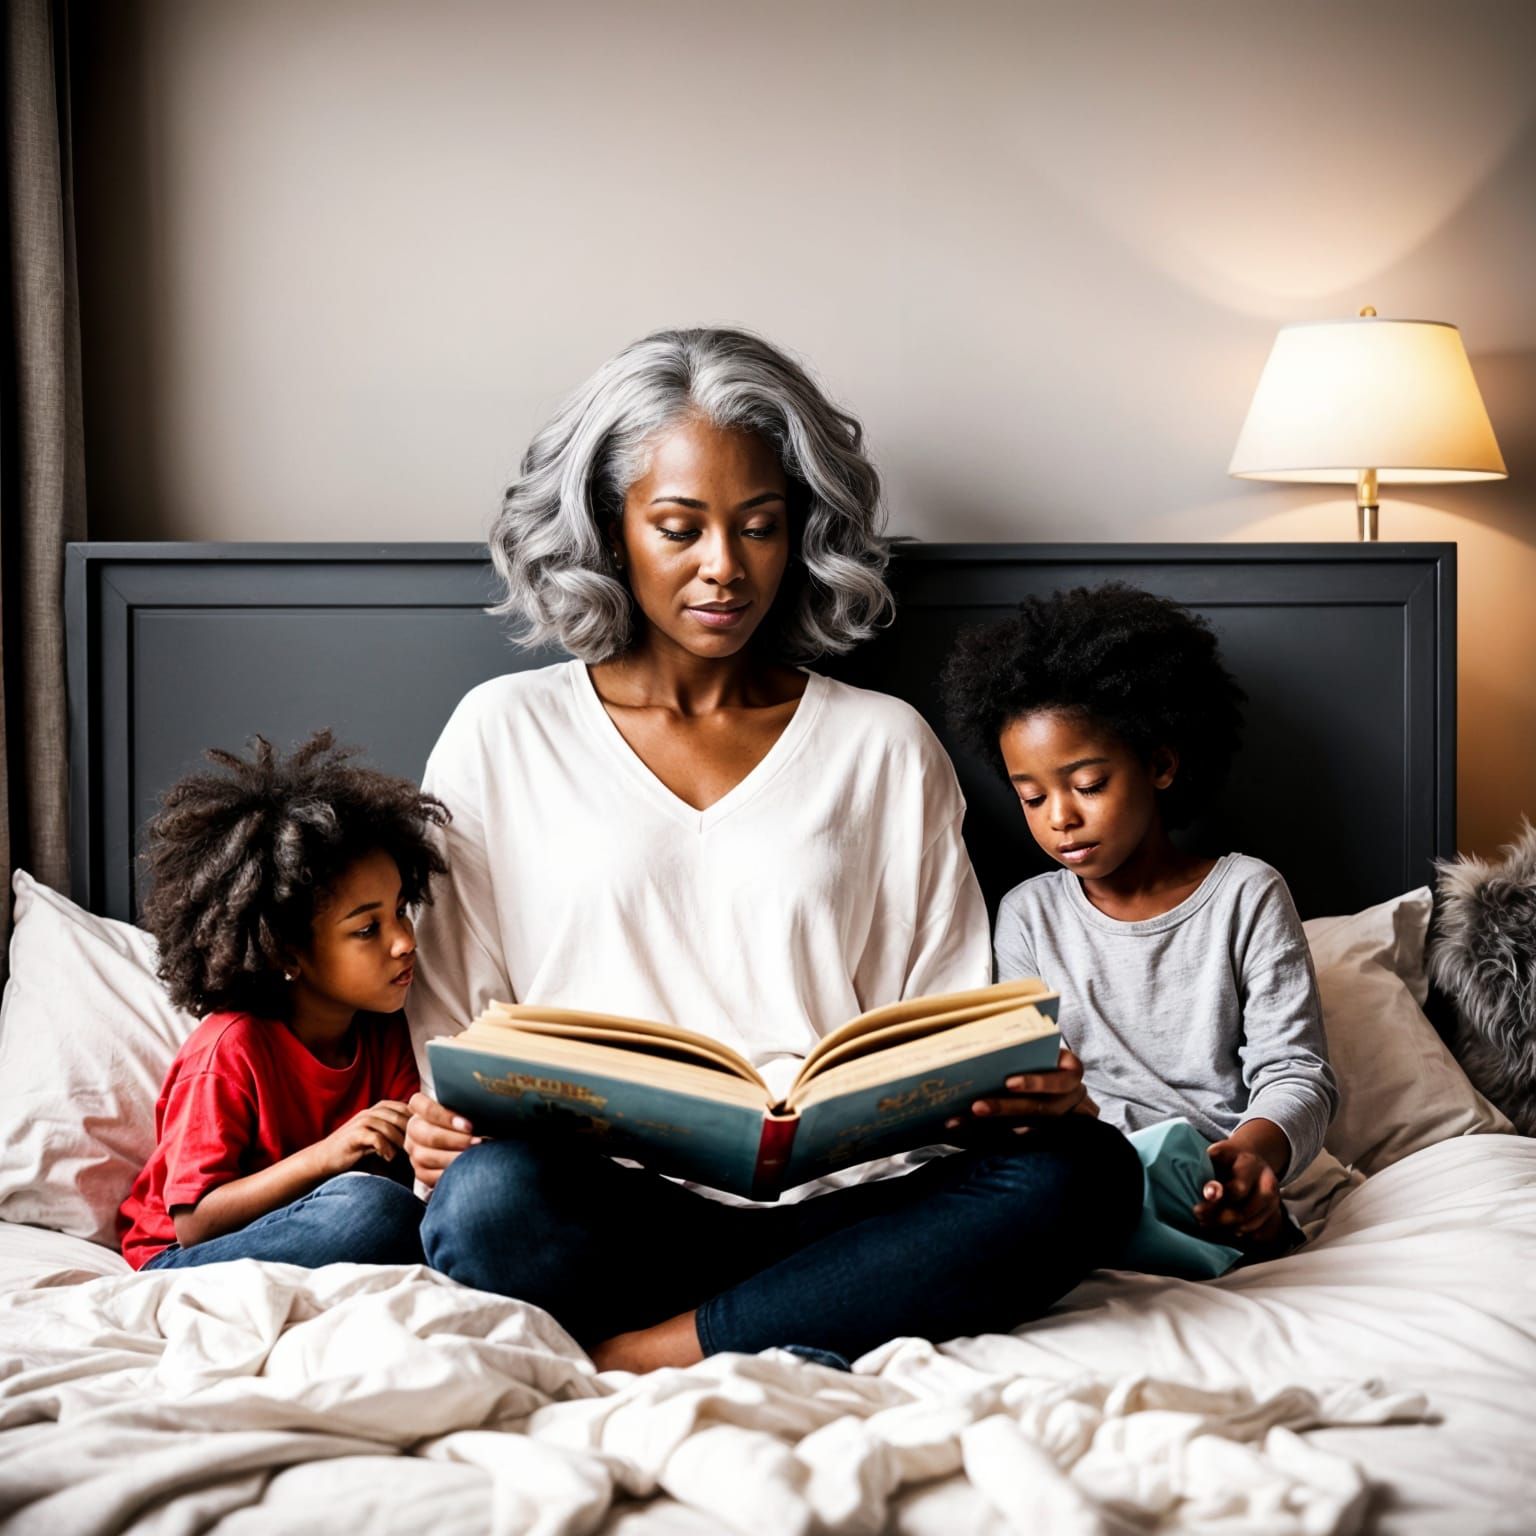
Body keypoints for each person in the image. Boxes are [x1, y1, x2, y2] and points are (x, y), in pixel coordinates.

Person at [403, 326, 1144, 1370]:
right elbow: (453, 1029)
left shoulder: (881, 743)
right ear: (611, 532)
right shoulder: (503, 732)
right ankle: (791, 1319)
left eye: (759, 527)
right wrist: (448, 1126)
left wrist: (1011, 1099)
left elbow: (936, 1021)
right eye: (679, 528)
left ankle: (659, 1351)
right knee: (488, 1203)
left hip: (850, 1211)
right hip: (608, 1211)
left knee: (1089, 1174)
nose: (724, 569)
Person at [942, 583, 1339, 1254]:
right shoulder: (1029, 915)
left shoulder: (1246, 893)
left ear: (1158, 764)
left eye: (1087, 786)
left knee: (1218, 1214)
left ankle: (1245, 1228)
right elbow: (1029, 1079)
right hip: (1081, 1166)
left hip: (1212, 1167)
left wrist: (1254, 1156)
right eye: (1032, 798)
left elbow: (1295, 1071)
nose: (1060, 817)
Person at [118, 732, 447, 1272]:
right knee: (372, 1212)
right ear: (287, 952)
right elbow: (195, 1221)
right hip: (179, 1257)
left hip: (315, 1223)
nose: (405, 940)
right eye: (367, 928)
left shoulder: (387, 1030)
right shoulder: (229, 1050)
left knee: (414, 1212)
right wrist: (328, 1155)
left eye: (401, 909)